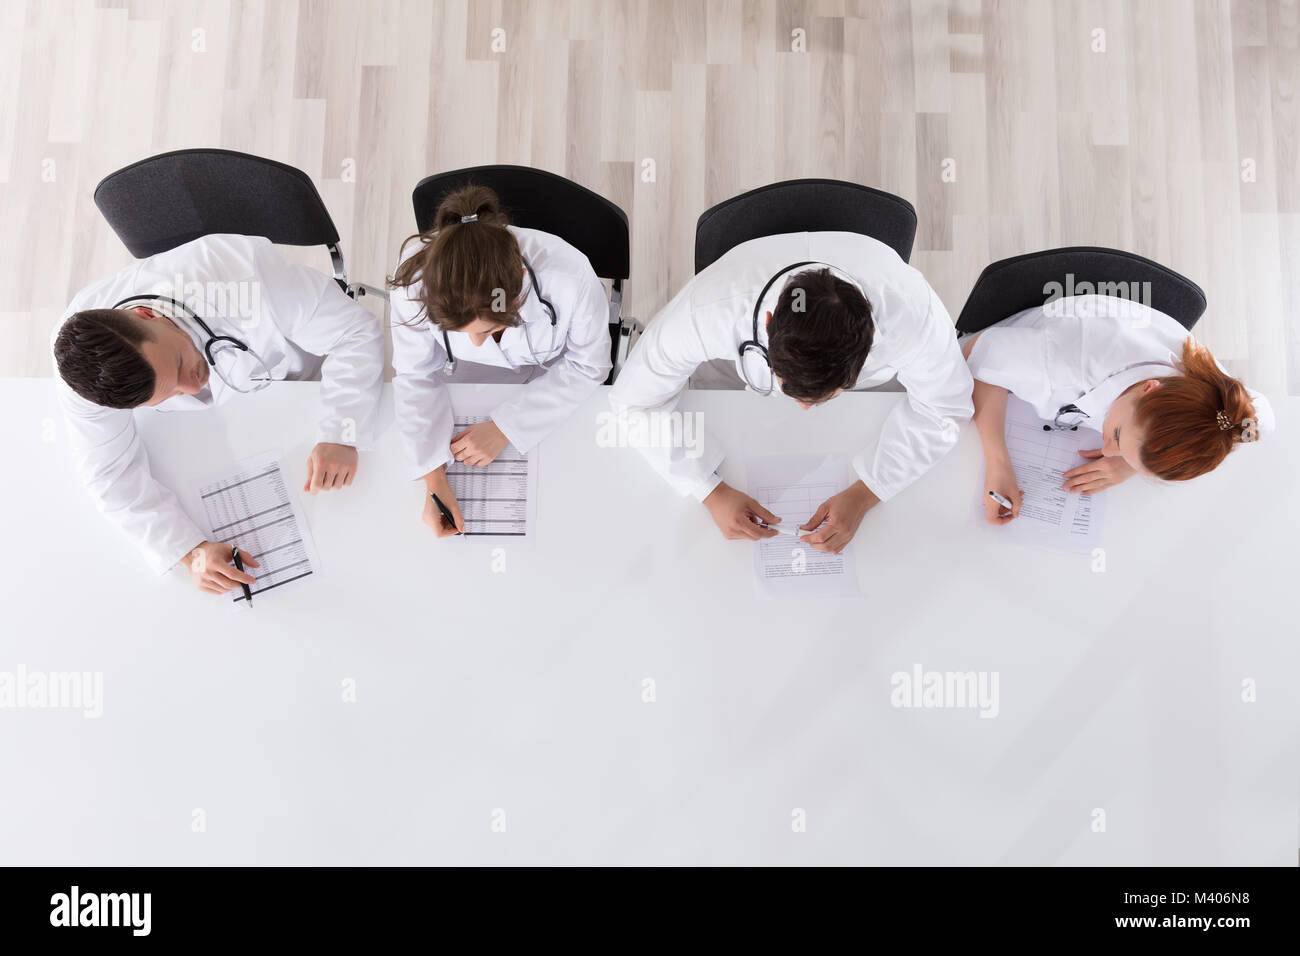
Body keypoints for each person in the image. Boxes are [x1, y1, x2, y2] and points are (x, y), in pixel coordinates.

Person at [52, 232, 385, 592]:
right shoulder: (85, 371)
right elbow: (109, 474)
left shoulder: (244, 277)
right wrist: (188, 550)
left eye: (180, 364)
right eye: (166, 397)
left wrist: (341, 432)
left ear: (148, 315)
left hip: (301, 378)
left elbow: (355, 334)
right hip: (231, 434)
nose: (193, 389)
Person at [609, 231, 974, 553]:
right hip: (730, 366)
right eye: (795, 393)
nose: (801, 410)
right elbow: (633, 402)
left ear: (872, 340)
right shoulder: (707, 311)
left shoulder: (915, 315)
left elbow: (946, 408)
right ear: (767, 325)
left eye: (822, 398)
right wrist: (709, 491)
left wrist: (866, 494)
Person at [388, 184, 612, 535]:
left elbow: (590, 366)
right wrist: (434, 479)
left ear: (520, 282)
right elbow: (415, 374)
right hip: (467, 378)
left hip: (553, 373)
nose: (476, 344)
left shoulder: (569, 277)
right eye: (461, 331)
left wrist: (507, 426)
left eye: (486, 329)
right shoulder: (414, 281)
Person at [962, 292, 1274, 524]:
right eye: (1115, 435)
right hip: (1017, 343)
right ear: (1148, 388)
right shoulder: (1065, 363)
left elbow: (1265, 417)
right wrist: (998, 462)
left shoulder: (1215, 403)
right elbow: (977, 357)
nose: (1107, 450)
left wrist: (1132, 462)